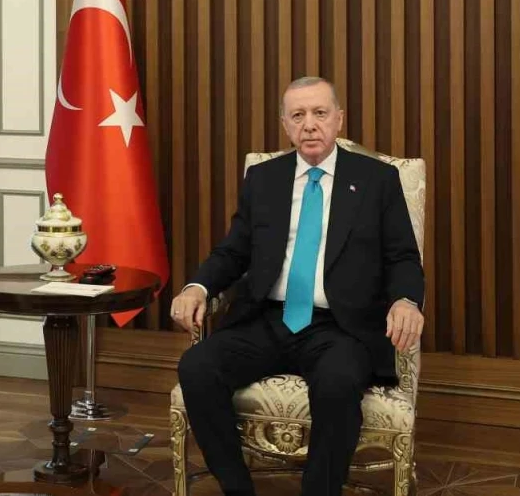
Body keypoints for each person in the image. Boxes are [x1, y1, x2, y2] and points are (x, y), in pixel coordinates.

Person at [171, 76, 424, 496]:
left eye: (320, 113)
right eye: (298, 115)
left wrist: (406, 300)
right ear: (285, 125)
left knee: (338, 382)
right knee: (197, 367)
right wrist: (197, 286)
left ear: (338, 119)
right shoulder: (264, 178)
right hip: (267, 319)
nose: (309, 125)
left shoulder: (377, 179)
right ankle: (237, 488)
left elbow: (402, 257)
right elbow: (233, 251)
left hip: (339, 327)